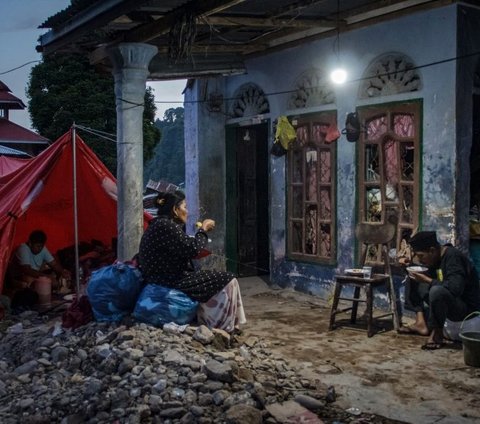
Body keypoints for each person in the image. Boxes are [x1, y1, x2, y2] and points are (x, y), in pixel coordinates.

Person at [138, 190, 246, 333]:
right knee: (227, 279)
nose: (187, 212)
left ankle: (227, 323)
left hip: (164, 276)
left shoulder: (160, 225)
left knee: (215, 277)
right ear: (175, 210)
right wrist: (203, 230)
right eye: (184, 207)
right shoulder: (165, 226)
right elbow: (193, 249)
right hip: (169, 279)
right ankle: (221, 327)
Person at [400, 231, 480, 349]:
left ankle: (437, 334)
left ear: (432, 250)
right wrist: (408, 267)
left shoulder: (453, 257)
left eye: (421, 256)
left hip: (466, 311)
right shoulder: (435, 259)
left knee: (437, 291)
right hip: (450, 309)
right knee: (413, 277)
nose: (420, 260)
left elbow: (455, 288)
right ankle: (420, 322)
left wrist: (428, 280)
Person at [6, 230, 70, 309]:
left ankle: (42, 297)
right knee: (34, 281)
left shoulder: (42, 248)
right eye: (37, 246)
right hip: (18, 278)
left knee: (53, 282)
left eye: (41, 246)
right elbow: (27, 270)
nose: (40, 249)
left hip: (35, 276)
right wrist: (46, 277)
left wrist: (62, 271)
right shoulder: (23, 248)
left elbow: (54, 264)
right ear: (30, 243)